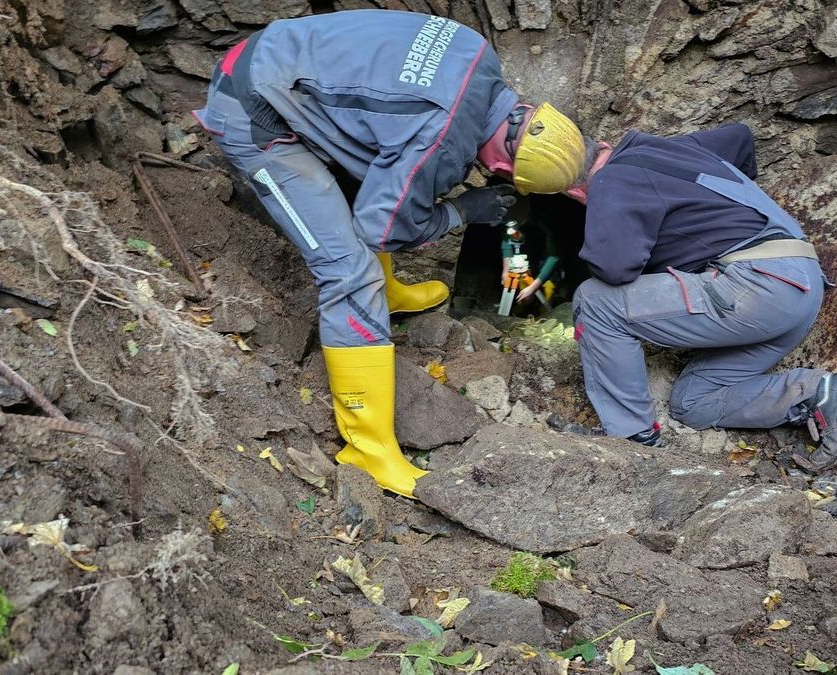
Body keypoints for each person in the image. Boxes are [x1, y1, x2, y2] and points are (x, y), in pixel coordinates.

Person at [192, 10, 589, 497]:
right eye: (507, 176)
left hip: (284, 59)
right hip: (255, 111)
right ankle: (368, 448)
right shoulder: (439, 140)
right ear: (506, 163)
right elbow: (382, 229)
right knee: (350, 273)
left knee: (384, 172)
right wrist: (464, 210)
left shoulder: (478, 54)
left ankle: (392, 294)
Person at [570, 123, 837, 473]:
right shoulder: (666, 149)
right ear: (604, 143)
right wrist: (721, 218)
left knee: (594, 301)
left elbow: (614, 270)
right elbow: (740, 136)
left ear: (578, 193)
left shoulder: (610, 180)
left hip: (757, 285)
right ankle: (819, 393)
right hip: (799, 286)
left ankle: (633, 443)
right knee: (692, 404)